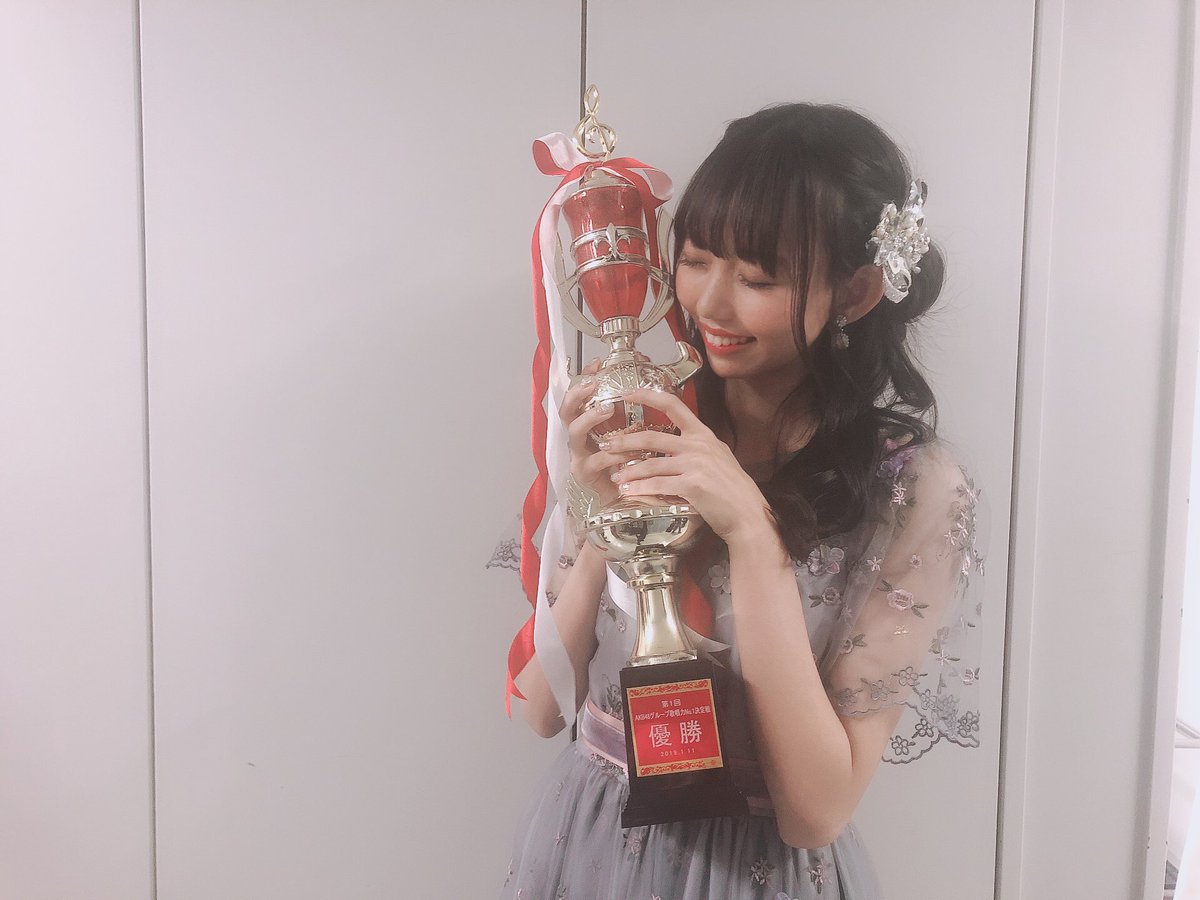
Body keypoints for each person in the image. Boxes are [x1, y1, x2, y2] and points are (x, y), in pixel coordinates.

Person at [487, 102, 987, 900]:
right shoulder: (648, 424)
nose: (710, 304)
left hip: (754, 874)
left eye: (758, 278)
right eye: (695, 259)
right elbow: (541, 710)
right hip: (590, 844)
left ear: (856, 292)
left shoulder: (910, 490)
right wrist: (602, 517)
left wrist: (752, 532)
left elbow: (816, 813)